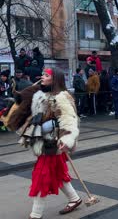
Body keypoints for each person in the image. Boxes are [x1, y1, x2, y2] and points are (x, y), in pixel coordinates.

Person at [16, 68, 81, 218]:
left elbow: (70, 120)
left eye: (46, 75)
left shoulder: (61, 97)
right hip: (44, 141)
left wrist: (67, 140)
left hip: (53, 143)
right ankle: (74, 199)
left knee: (41, 176)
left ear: (55, 79)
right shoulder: (42, 94)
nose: (42, 77)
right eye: (43, 74)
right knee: (58, 173)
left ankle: (36, 214)